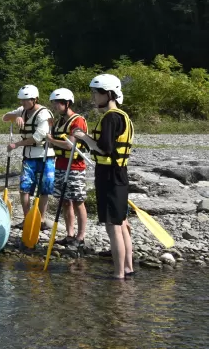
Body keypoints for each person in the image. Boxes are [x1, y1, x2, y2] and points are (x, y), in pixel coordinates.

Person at [72, 74, 135, 279]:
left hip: (109, 175)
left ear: (108, 94)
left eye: (96, 93)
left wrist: (83, 137)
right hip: (119, 174)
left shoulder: (111, 117)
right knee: (121, 222)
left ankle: (118, 275)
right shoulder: (123, 116)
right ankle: (127, 268)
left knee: (113, 226)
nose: (94, 97)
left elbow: (105, 149)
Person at [2, 85, 55, 229]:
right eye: (21, 100)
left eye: (26, 100)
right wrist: (17, 116)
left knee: (44, 189)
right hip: (29, 156)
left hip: (45, 155)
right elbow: (5, 117)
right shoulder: (22, 110)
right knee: (24, 188)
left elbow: (38, 137)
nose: (23, 103)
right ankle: (27, 218)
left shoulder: (44, 114)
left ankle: (41, 219)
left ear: (35, 99)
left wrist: (17, 144)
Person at [45, 88, 88, 249]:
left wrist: (51, 139)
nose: (55, 106)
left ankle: (81, 236)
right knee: (65, 202)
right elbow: (53, 141)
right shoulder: (59, 122)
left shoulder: (78, 121)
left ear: (67, 103)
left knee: (78, 201)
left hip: (75, 167)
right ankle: (70, 235)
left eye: (58, 103)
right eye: (54, 103)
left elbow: (70, 145)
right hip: (60, 164)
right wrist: (50, 132)